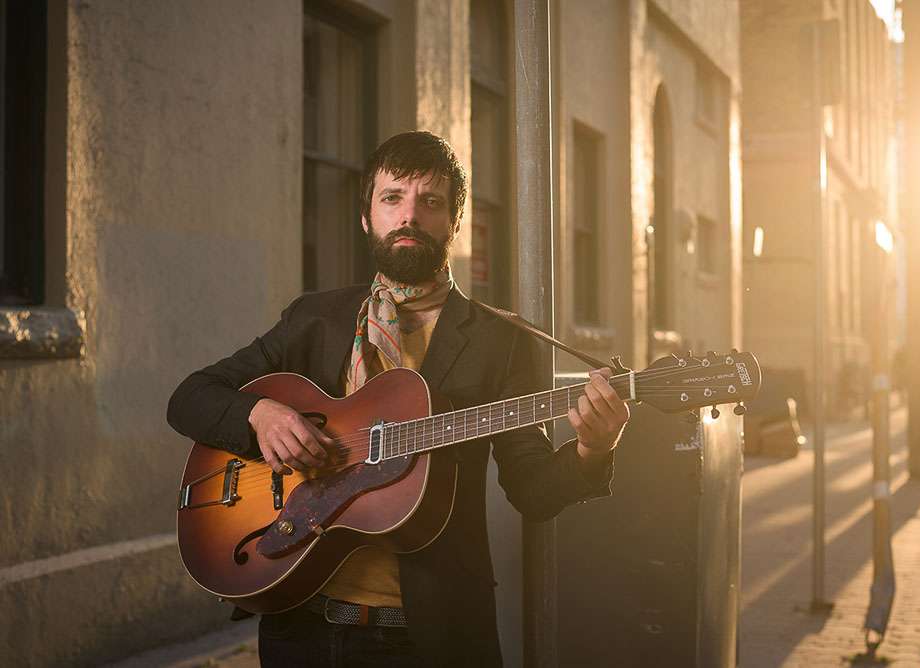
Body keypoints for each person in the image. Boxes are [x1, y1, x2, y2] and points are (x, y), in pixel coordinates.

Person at [167, 130, 629, 666]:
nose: (410, 215)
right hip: (302, 625)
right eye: (393, 198)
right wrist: (260, 414)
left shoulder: (500, 341)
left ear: (454, 222)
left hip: (428, 635)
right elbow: (189, 398)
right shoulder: (314, 319)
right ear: (367, 216)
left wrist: (594, 449)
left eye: (430, 202)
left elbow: (532, 490)